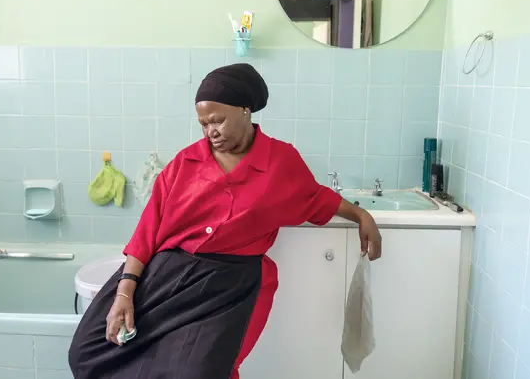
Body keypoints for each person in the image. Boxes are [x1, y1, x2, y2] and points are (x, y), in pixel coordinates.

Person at [68, 63, 382, 379]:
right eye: (203, 124)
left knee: (199, 371)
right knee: (87, 351)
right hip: (167, 274)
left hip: (229, 286)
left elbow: (315, 198)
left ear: (246, 110)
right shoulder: (185, 162)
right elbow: (148, 230)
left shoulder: (281, 162)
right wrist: (126, 289)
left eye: (217, 121)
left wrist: (360, 214)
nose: (210, 132)